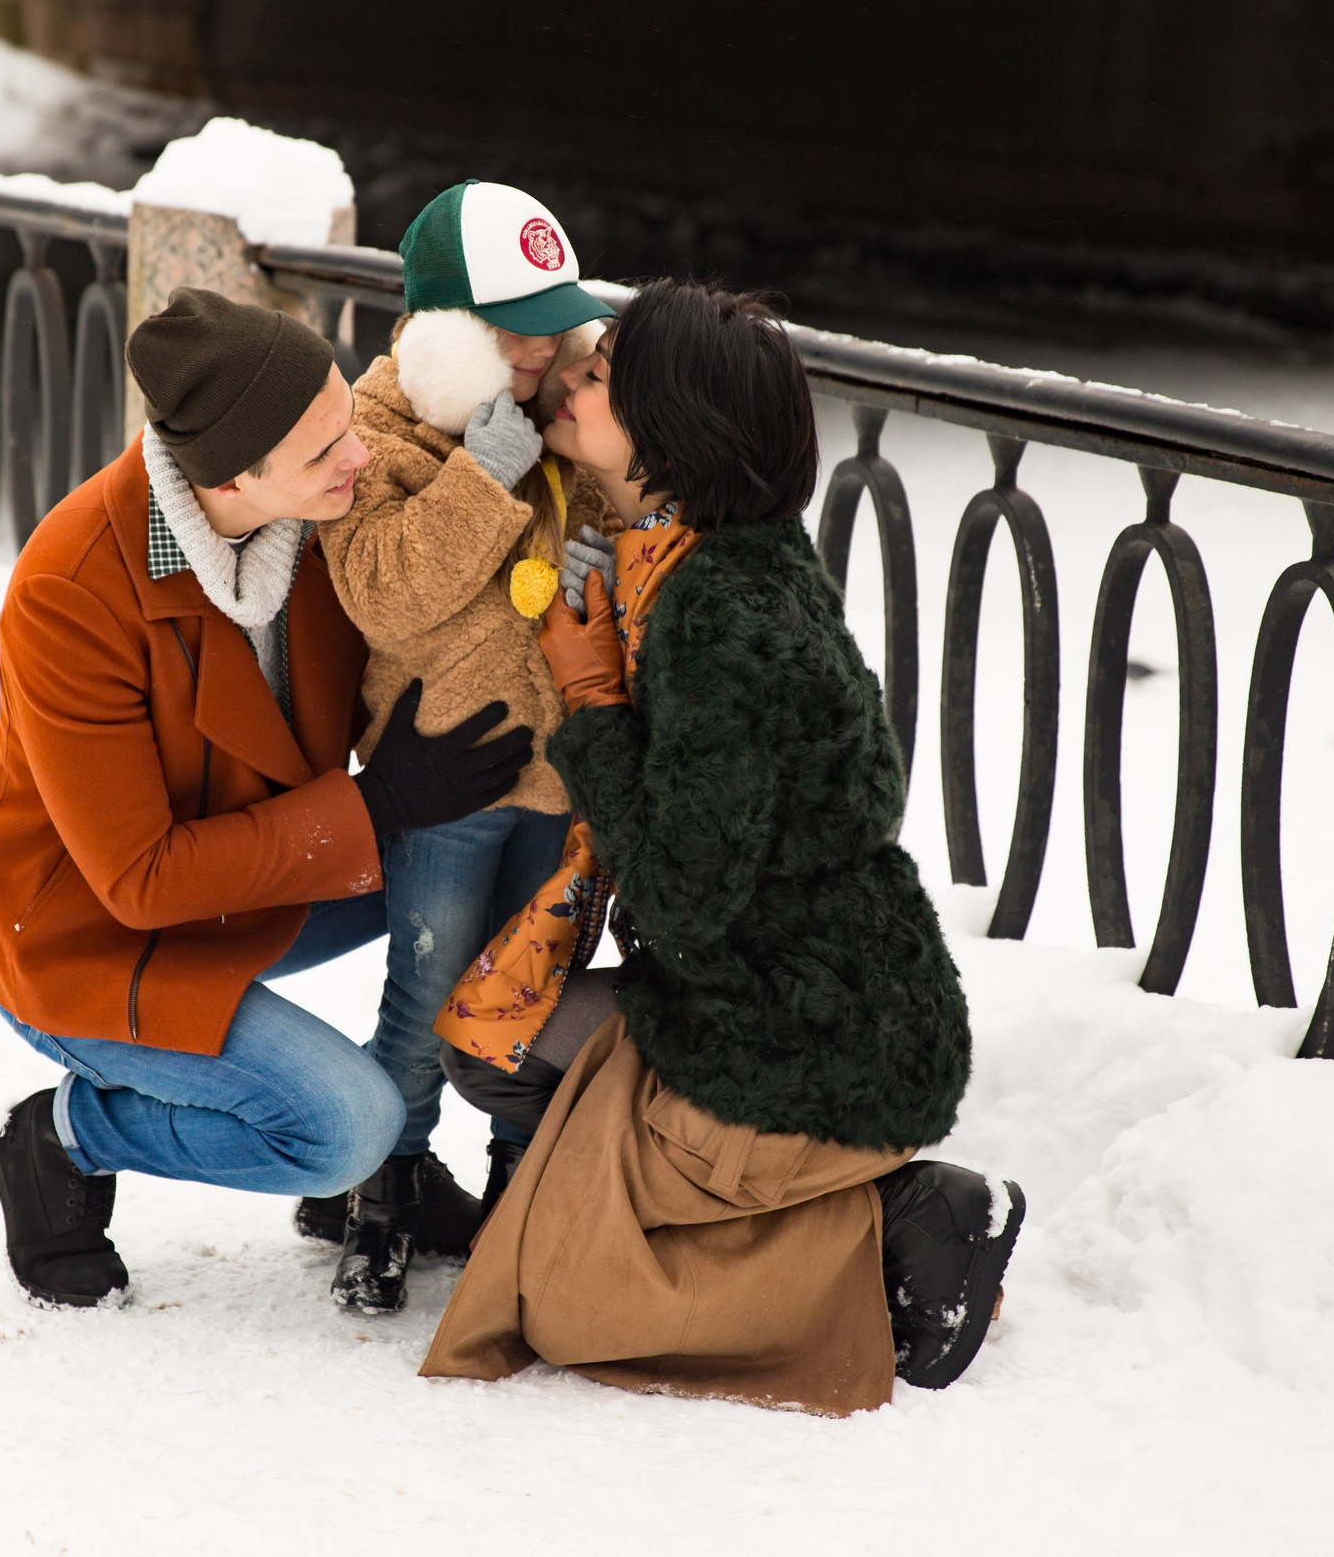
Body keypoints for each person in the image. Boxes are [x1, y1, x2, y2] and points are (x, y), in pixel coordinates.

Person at [421, 281, 1025, 1412]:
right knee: (494, 1047)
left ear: (671, 430)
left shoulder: (717, 610)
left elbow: (689, 897)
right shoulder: (702, 555)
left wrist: (593, 707)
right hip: (808, 989)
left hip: (812, 1028)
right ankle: (779, 1202)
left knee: (558, 1290)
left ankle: (901, 1221)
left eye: (602, 377)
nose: (571, 379)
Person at [0, 285, 533, 1309]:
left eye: (343, 420)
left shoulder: (314, 521)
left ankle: (387, 1174)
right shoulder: (70, 589)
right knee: (334, 1126)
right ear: (231, 475)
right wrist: (379, 806)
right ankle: (59, 1139)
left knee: (474, 848)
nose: (355, 457)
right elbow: (136, 880)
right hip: (88, 935)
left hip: (246, 886)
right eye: (322, 450)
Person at [299, 180, 621, 1314]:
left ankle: (517, 1203)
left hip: (558, 776)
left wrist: (605, 575)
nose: (542, 353)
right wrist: (481, 480)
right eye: (515, 329)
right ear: (448, 329)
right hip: (445, 775)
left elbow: (618, 526)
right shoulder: (377, 435)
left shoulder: (567, 424)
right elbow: (386, 596)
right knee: (423, 993)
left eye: (554, 326)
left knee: (529, 997)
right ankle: (378, 1203)